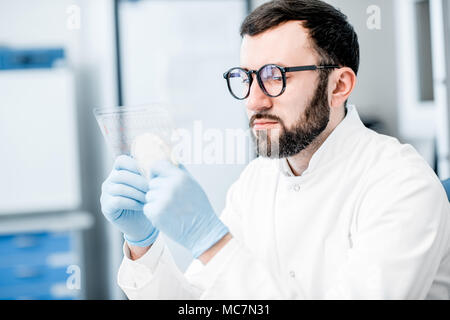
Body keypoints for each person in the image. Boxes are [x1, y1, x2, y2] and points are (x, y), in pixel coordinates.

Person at [100, 0, 450, 299]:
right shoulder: (256, 182)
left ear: (339, 85)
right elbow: (201, 299)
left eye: (275, 75)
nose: (253, 100)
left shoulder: (401, 184)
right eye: (245, 77)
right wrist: (142, 243)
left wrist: (210, 241)